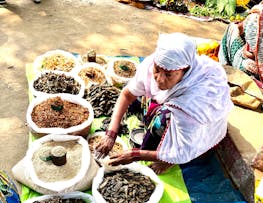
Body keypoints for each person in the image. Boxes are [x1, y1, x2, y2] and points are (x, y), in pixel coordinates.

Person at [96, 32, 233, 174]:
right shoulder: (154, 63)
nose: (159, 79)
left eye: (168, 74)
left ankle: (166, 161)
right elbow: (127, 94)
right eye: (157, 70)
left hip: (197, 130)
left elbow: (182, 152)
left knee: (161, 120)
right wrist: (111, 133)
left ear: (185, 71)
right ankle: (155, 120)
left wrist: (136, 155)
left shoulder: (193, 100)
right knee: (138, 98)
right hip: (173, 105)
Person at [218, 2, 263, 88]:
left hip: (255, 73)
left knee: (232, 28)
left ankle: (224, 69)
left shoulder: (258, 14)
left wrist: (240, 25)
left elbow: (249, 52)